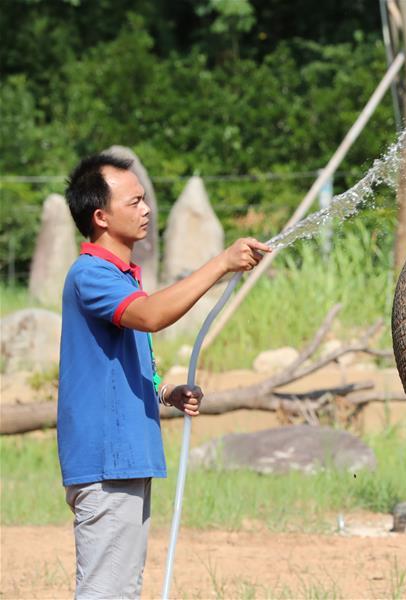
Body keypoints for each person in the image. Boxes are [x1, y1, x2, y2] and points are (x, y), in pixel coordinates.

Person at [58, 152, 271, 598]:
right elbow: (152, 316)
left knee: (122, 589)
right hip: (106, 465)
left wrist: (166, 391)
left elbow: (115, 367)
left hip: (125, 460)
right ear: (101, 215)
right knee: (106, 592)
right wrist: (221, 263)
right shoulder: (92, 274)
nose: (146, 209)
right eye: (134, 202)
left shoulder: (121, 278)